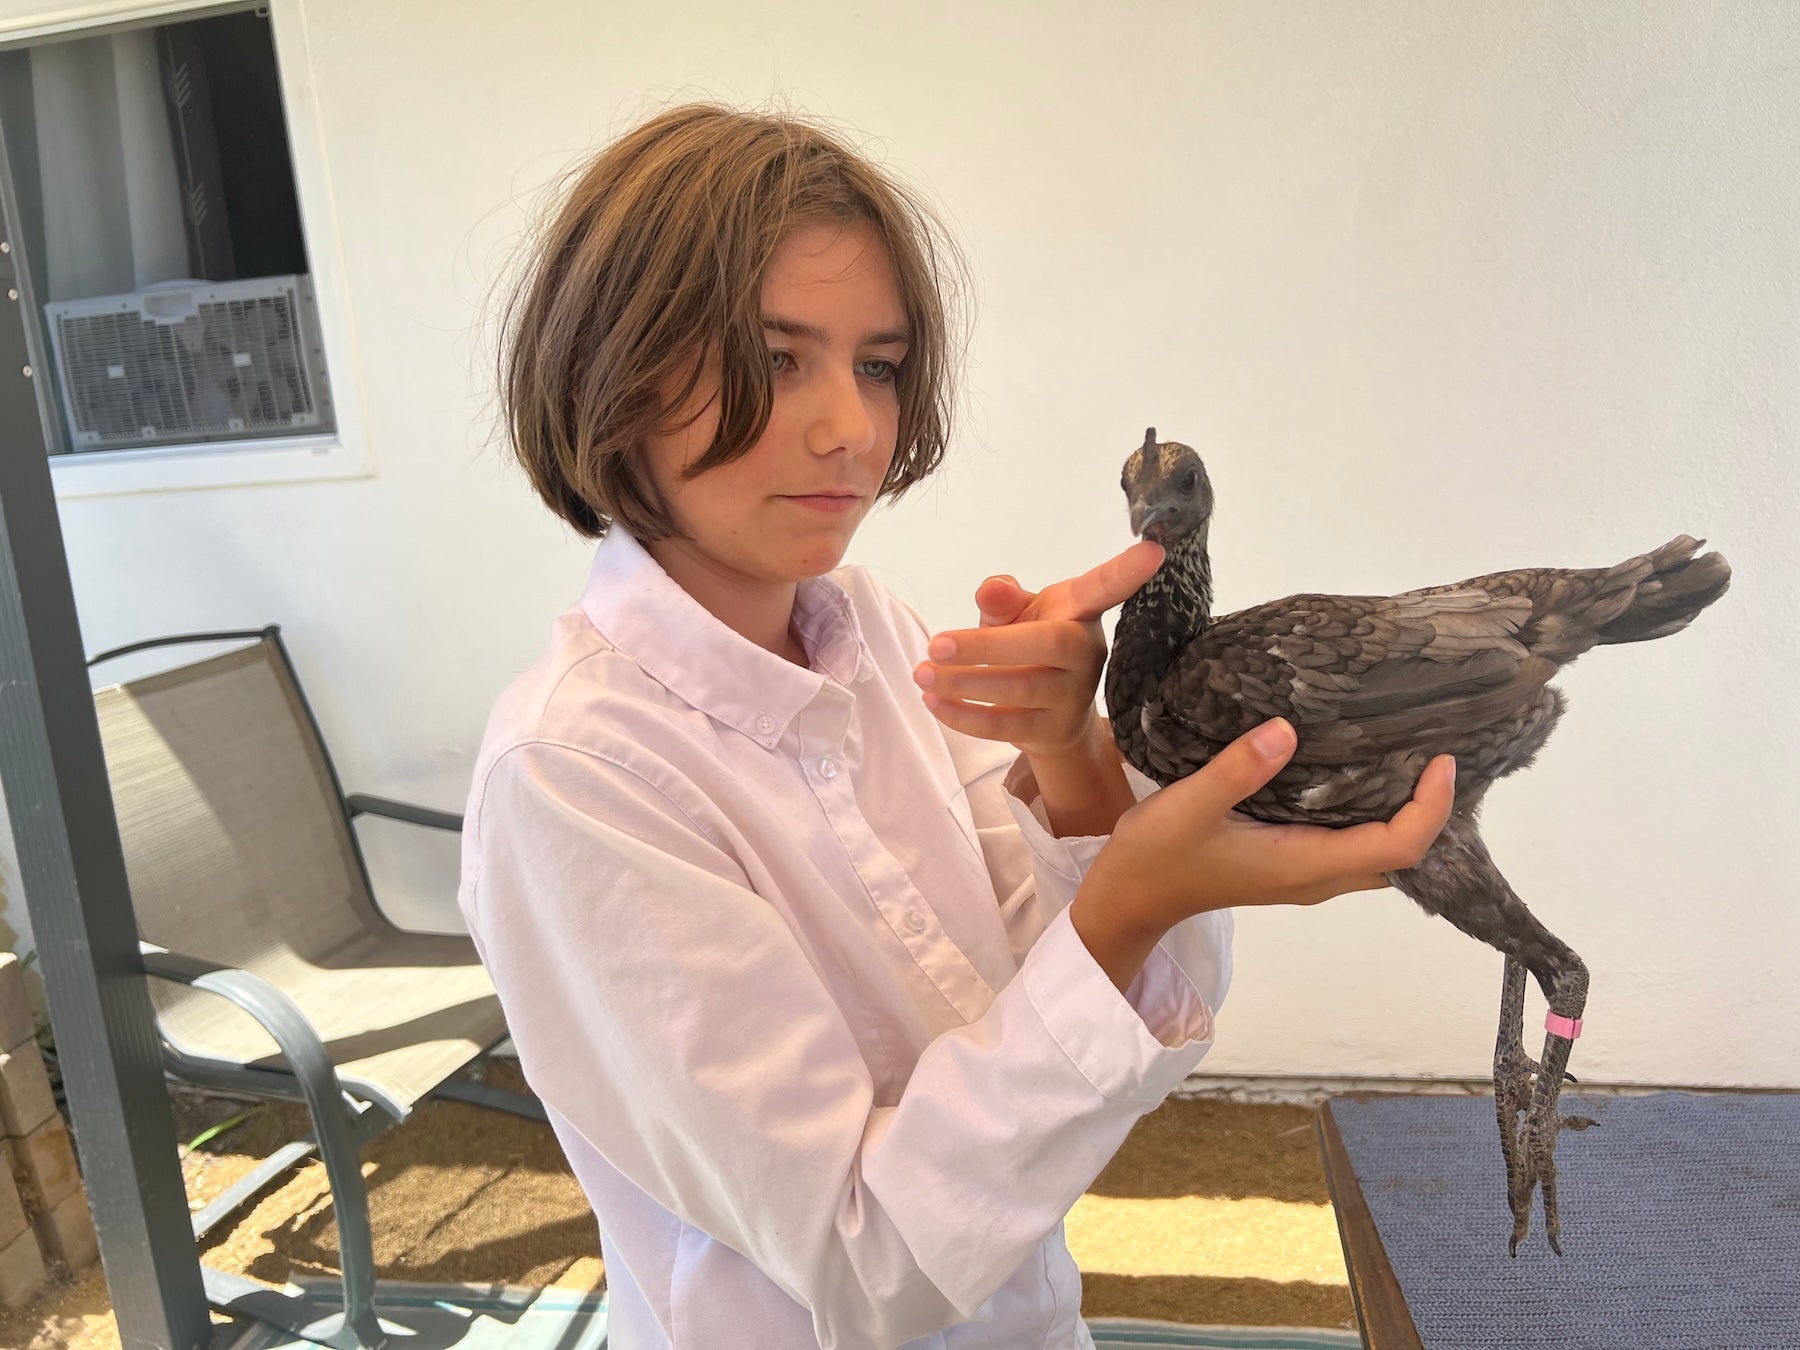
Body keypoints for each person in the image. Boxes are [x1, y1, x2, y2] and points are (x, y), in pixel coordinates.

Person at [461, 102, 1455, 1350]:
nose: (851, 427)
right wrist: (1127, 903)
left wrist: (1077, 762)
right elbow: (868, 1261)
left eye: (877, 364)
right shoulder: (577, 777)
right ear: (610, 368)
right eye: (777, 359)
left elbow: (1066, 1021)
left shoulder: (869, 629)